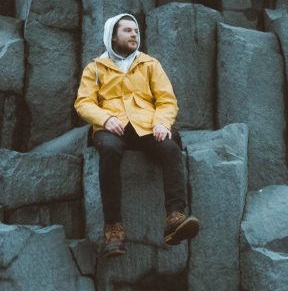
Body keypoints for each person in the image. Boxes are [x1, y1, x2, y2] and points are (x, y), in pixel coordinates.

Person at [74, 13, 201, 258]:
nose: (134, 34)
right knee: (109, 150)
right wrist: (105, 119)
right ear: (113, 35)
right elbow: (83, 103)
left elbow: (166, 100)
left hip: (147, 125)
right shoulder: (95, 68)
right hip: (112, 127)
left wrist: (163, 123)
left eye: (136, 31)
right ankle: (113, 229)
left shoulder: (150, 64)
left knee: (170, 147)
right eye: (127, 30)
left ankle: (175, 217)